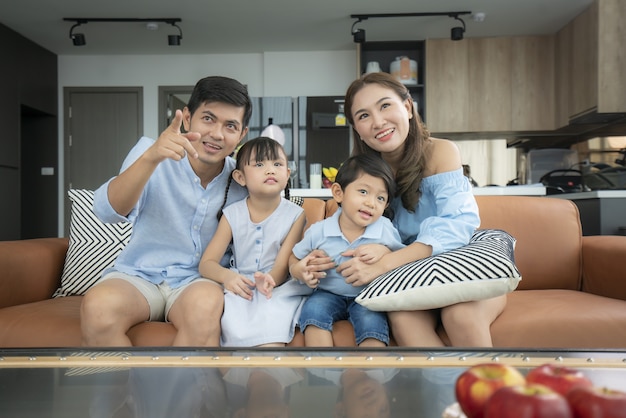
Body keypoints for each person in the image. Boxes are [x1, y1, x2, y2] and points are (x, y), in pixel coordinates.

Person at [334, 71, 507, 347]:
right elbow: (348, 229)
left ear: (408, 107)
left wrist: (386, 261)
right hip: (408, 280)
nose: (378, 122)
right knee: (402, 319)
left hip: (459, 269)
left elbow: (457, 224)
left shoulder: (441, 152)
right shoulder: (362, 174)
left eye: (385, 105)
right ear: (357, 129)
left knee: (461, 316)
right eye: (364, 116)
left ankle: (485, 391)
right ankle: (440, 392)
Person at [80, 75, 252, 347]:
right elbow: (107, 212)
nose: (217, 134)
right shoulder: (150, 152)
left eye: (230, 126)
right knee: (99, 308)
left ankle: (175, 392)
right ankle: (123, 391)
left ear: (242, 134)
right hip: (139, 275)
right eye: (208, 119)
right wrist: (151, 158)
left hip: (198, 281)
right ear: (187, 119)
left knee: (206, 308)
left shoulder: (243, 179)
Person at [199, 137, 308, 347]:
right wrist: (228, 277)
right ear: (240, 177)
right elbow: (207, 263)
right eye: (259, 164)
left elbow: (282, 266)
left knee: (270, 337)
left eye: (277, 164)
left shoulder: (296, 215)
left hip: (276, 288)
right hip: (240, 287)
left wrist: (269, 280)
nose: (270, 170)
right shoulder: (231, 214)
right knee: (236, 334)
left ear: (287, 174)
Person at [289, 154, 405, 347]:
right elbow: (294, 257)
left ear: (386, 205)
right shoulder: (320, 230)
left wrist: (384, 252)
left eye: (380, 198)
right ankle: (322, 371)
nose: (371, 203)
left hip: (368, 294)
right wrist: (298, 270)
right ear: (338, 192)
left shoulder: (384, 229)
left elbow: (401, 259)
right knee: (313, 310)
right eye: (363, 191)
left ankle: (373, 373)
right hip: (327, 293)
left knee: (372, 322)